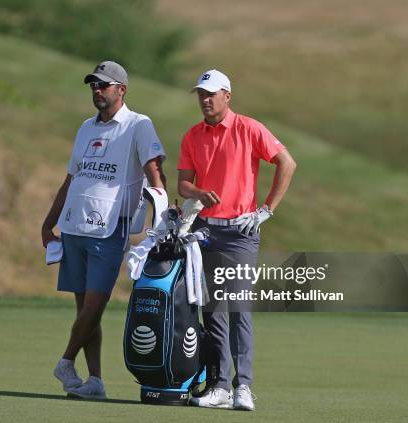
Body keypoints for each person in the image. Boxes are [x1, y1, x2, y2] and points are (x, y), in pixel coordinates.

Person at [41, 61, 166, 400]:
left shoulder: (139, 125)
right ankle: (94, 381)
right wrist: (48, 221)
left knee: (95, 304)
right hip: (75, 226)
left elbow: (155, 174)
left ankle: (66, 361)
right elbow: (72, 177)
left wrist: (162, 217)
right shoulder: (85, 128)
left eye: (104, 85)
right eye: (93, 85)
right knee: (84, 311)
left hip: (111, 229)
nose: (97, 90)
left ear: (121, 90)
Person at [177, 69, 296, 410]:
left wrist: (266, 210)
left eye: (211, 94)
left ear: (227, 96)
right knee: (212, 311)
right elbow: (183, 185)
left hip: (240, 233)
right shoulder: (192, 135)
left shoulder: (249, 128)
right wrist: (199, 192)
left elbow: (287, 163)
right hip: (204, 231)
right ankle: (219, 387)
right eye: (200, 93)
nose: (204, 99)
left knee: (238, 308)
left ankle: (243, 386)